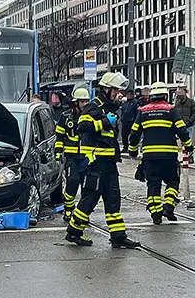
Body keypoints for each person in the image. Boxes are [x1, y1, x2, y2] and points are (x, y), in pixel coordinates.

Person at [65, 72, 140, 249]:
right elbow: (82, 127)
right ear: (106, 89)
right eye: (115, 90)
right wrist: (105, 122)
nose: (118, 94)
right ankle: (74, 231)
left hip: (109, 162)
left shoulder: (111, 107)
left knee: (113, 198)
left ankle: (118, 236)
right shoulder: (94, 106)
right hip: (96, 162)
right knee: (90, 198)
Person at [129, 82, 193, 225]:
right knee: (173, 181)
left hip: (150, 157)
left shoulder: (143, 111)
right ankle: (169, 206)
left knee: (153, 185)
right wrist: (188, 146)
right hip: (169, 155)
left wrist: (133, 150)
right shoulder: (171, 110)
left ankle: (156, 214)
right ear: (165, 95)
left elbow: (134, 134)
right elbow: (182, 130)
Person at [55, 86, 90, 222]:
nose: (84, 104)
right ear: (76, 102)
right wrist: (58, 153)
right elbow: (59, 136)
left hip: (87, 157)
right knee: (72, 184)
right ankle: (68, 210)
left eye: (86, 101)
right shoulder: (66, 117)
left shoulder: (91, 116)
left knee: (87, 187)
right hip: (72, 158)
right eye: (82, 102)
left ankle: (83, 214)